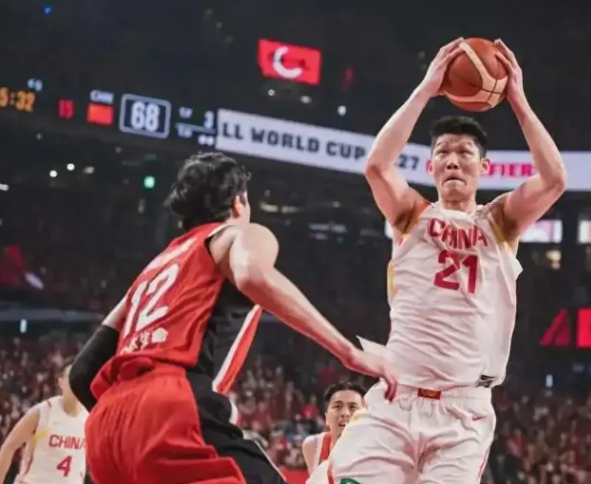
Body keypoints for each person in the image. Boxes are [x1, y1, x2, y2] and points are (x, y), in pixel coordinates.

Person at [317, 38, 566, 484]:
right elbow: (377, 166)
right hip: (397, 397)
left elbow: (553, 180)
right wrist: (426, 89)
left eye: (464, 153)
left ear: (484, 168)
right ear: (430, 167)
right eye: (443, 153)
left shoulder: (500, 222)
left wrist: (518, 102)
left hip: (462, 410)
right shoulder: (411, 215)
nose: (452, 161)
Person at [67, 152, 396, 484]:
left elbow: (82, 373)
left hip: (106, 433)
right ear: (240, 203)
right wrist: (348, 352)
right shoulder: (236, 234)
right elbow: (253, 276)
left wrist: (131, 424)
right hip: (171, 405)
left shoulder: (150, 272)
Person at [0, 360, 88, 484]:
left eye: (79, 377)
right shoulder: (43, 412)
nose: (76, 382)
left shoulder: (90, 417)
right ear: (61, 382)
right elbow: (9, 446)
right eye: (71, 377)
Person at [302, 382, 366, 475]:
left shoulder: (376, 453)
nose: (345, 413)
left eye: (352, 407)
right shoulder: (313, 446)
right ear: (327, 417)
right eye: (338, 406)